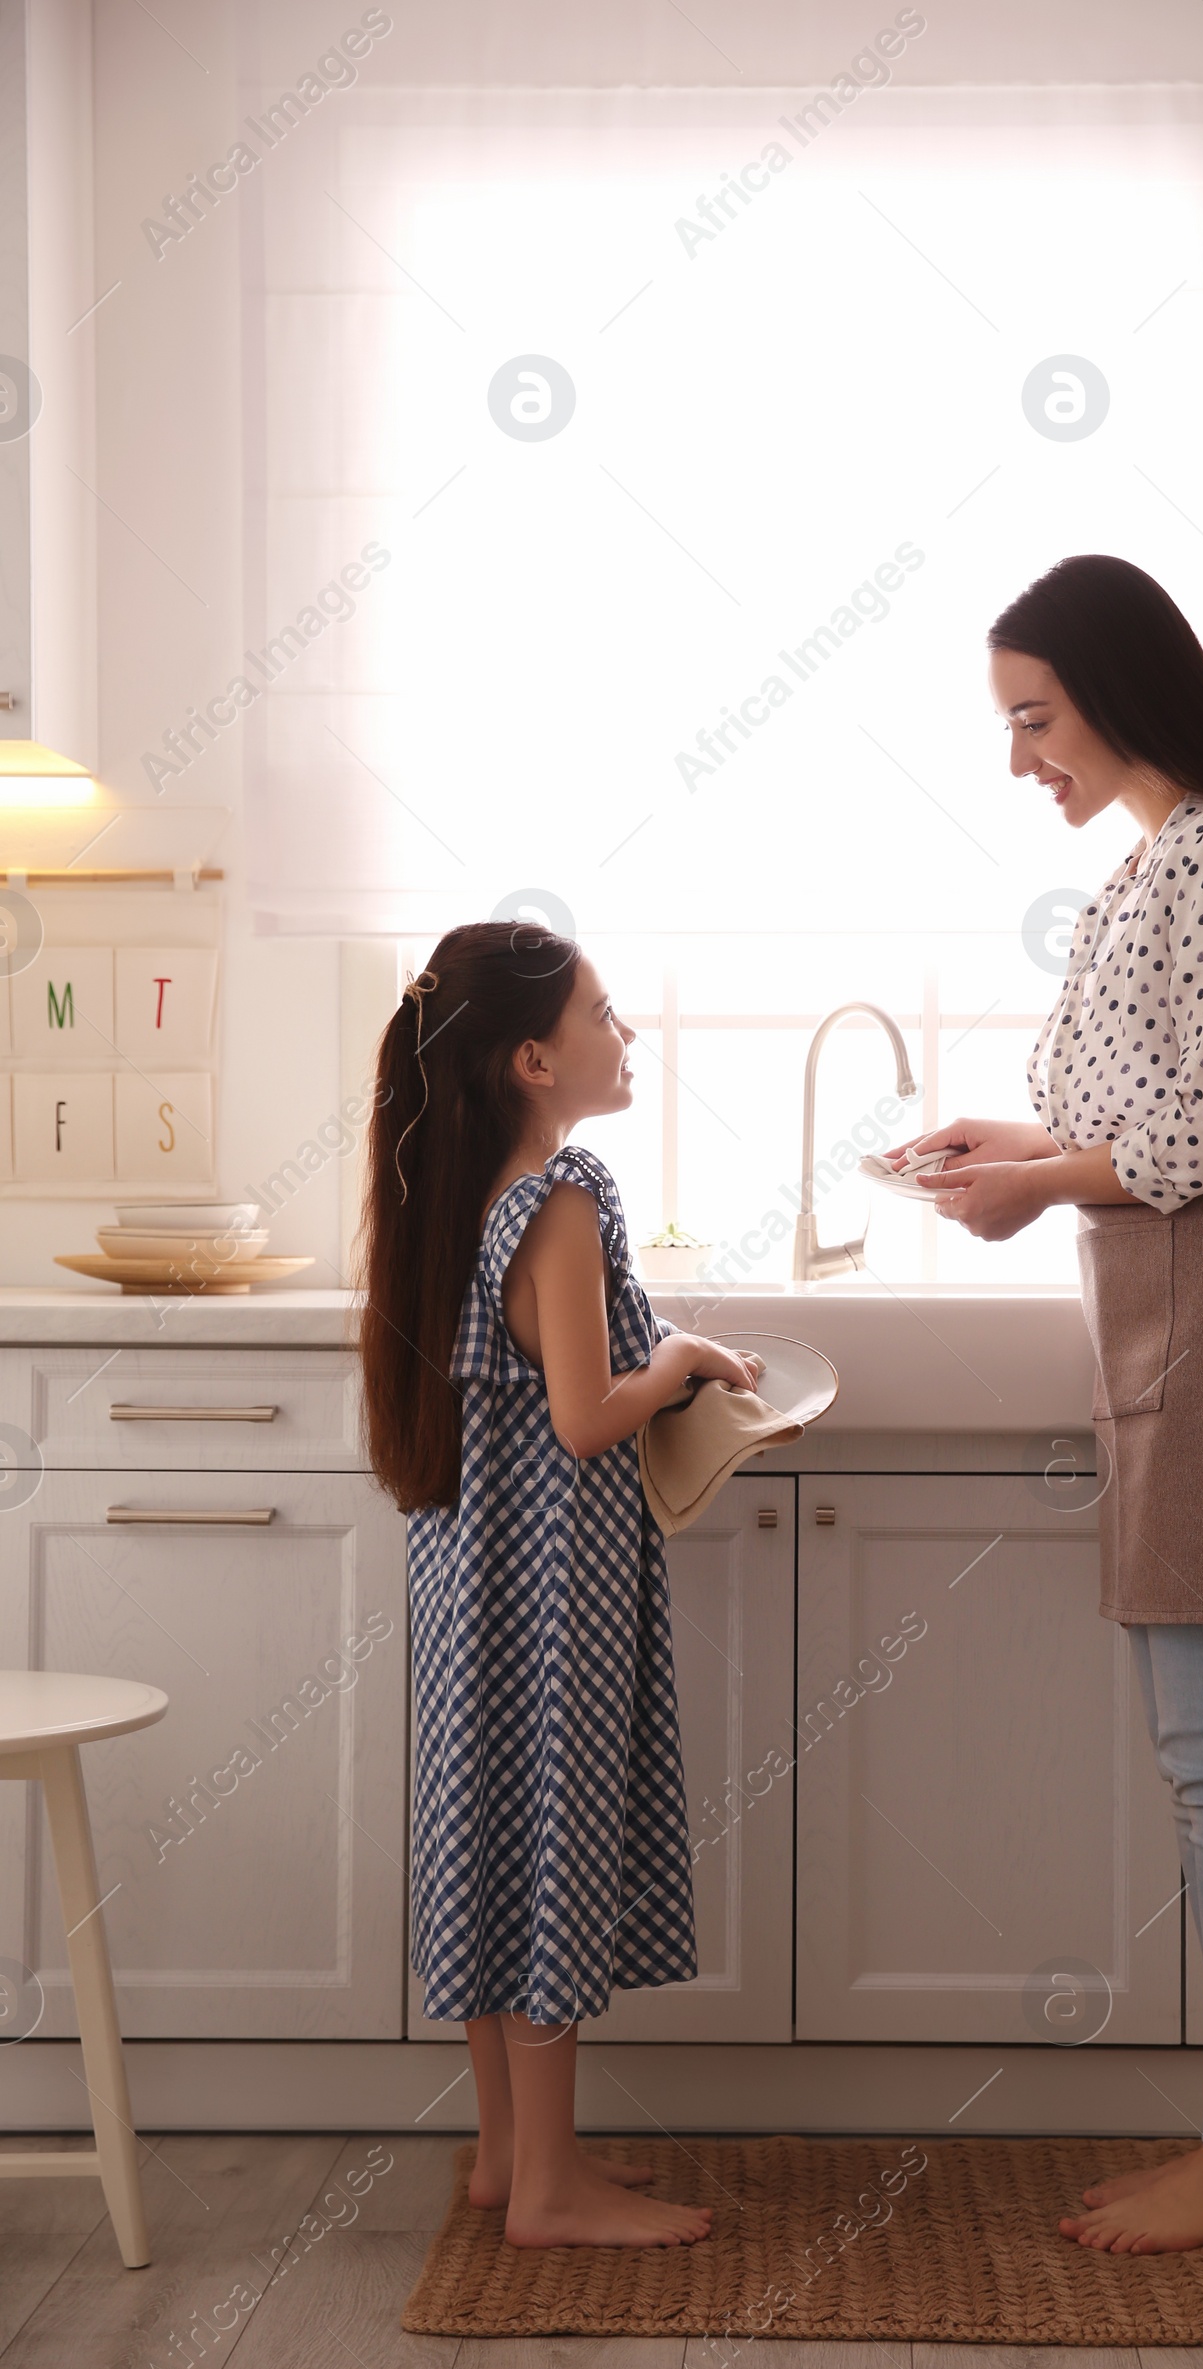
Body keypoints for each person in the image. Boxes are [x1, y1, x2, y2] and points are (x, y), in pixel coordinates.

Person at [895, 554, 1203, 2255]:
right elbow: (1176, 1112)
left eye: (1035, 717)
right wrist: (1018, 1148)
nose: (1022, 755)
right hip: (1191, 1313)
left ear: (1119, 686)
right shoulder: (1180, 858)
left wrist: (1043, 1188)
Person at [357, 920, 755, 2247]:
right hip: (554, 1598)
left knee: (489, 1843)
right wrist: (685, 1356)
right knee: (557, 1857)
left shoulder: (451, 1201)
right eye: (604, 1013)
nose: (625, 1032)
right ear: (535, 1059)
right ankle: (550, 2190)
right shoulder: (564, 1199)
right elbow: (590, 1418)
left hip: (469, 1588)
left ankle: (502, 2156)